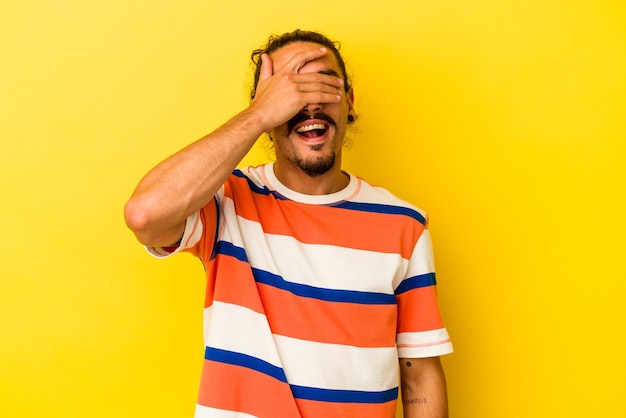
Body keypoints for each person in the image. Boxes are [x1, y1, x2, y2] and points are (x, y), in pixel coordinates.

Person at [124, 29, 453, 418]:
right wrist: (258, 114)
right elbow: (145, 215)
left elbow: (420, 375)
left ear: (348, 101)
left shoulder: (404, 224)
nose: (309, 102)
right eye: (290, 88)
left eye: (323, 82)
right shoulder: (226, 203)